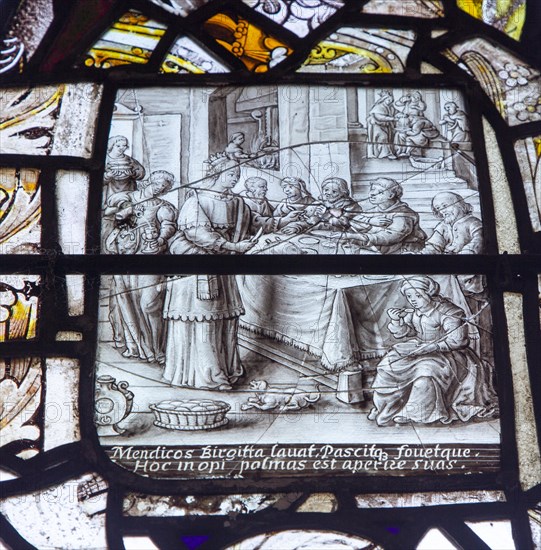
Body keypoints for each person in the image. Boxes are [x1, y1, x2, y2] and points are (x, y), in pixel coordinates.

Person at [162, 155, 254, 390]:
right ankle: (207, 375)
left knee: (224, 319)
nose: (235, 178)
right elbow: (198, 235)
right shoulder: (197, 200)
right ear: (217, 173)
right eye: (231, 174)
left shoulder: (237, 202)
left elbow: (252, 224)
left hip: (222, 268)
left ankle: (227, 369)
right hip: (195, 269)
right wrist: (232, 247)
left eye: (237, 175)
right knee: (202, 320)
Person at [368, 276, 497, 426]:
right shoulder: (416, 311)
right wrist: (397, 321)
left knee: (426, 373)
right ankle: (387, 409)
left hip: (450, 356)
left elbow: (457, 341)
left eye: (418, 295)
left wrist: (429, 348)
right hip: (421, 350)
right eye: (409, 296)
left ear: (429, 294)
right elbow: (408, 332)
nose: (413, 300)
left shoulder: (450, 312)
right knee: (386, 366)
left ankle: (417, 413)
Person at [104, 170, 178, 365]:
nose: (159, 189)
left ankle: (156, 348)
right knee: (128, 301)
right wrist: (124, 211)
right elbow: (109, 212)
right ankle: (136, 346)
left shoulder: (165, 207)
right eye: (157, 184)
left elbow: (168, 227)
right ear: (149, 182)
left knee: (149, 303)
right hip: (125, 256)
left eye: (164, 187)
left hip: (150, 258)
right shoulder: (128, 197)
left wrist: (160, 239)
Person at [348, 177, 426, 253]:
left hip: (406, 252)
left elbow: (389, 237)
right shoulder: (375, 210)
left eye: (380, 192)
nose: (372, 193)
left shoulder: (403, 214)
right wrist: (369, 221)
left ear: (391, 196)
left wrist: (356, 236)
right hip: (381, 250)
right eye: (372, 189)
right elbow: (354, 221)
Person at [423, 192, 483, 256]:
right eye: (438, 208)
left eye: (445, 206)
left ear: (459, 205)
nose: (442, 211)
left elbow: (478, 241)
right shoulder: (442, 226)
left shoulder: (473, 222)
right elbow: (434, 245)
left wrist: (466, 252)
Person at [366, 90, 396, 159]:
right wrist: (391, 119)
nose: (390, 102)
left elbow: (394, 113)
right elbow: (379, 117)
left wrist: (398, 116)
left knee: (386, 138)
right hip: (376, 126)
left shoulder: (389, 107)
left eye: (391, 100)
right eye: (388, 100)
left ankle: (382, 153)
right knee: (383, 137)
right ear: (384, 99)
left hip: (384, 126)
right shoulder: (379, 107)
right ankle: (384, 154)